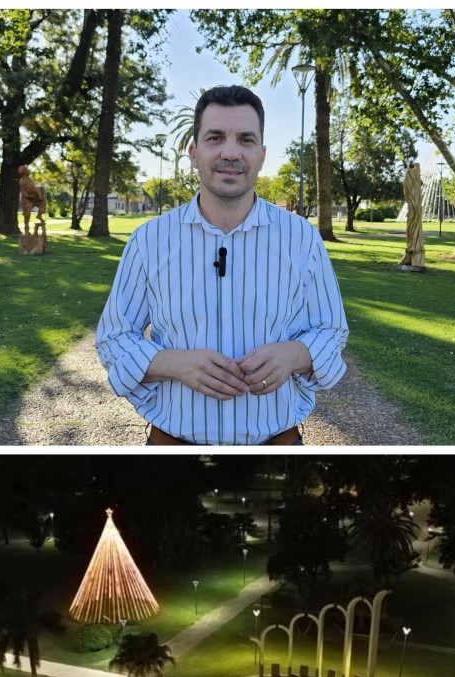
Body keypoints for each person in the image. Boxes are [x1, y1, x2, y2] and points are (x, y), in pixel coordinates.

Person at [96, 85, 348, 446]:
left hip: (277, 445)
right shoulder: (148, 240)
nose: (231, 152)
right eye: (216, 137)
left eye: (245, 140)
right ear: (194, 152)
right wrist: (175, 364)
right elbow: (113, 338)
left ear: (261, 155)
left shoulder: (302, 239)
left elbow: (331, 330)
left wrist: (294, 355)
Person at [398, 161, 425, 269]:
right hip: (412, 208)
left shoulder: (413, 177)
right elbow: (406, 190)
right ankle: (411, 252)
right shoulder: (408, 176)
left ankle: (416, 254)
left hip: (414, 208)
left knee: (414, 219)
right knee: (412, 222)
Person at [18, 165, 46, 234]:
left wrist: (39, 193)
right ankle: (26, 230)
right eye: (26, 170)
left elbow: (35, 188)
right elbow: (23, 192)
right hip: (27, 199)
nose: (28, 171)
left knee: (43, 202)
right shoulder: (22, 181)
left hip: (35, 198)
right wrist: (29, 196)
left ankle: (39, 214)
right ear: (24, 172)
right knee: (27, 214)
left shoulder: (31, 179)